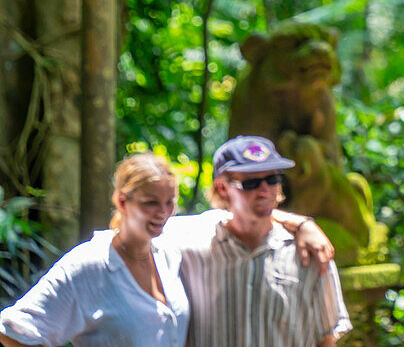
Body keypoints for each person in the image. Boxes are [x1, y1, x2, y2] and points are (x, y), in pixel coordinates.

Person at [158, 135, 351, 347]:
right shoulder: (187, 246)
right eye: (251, 183)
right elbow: (139, 229)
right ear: (223, 188)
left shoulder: (310, 253)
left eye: (273, 179)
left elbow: (325, 339)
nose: (265, 190)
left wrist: (304, 224)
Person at [0, 153, 189, 347]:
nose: (163, 213)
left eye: (170, 202)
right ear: (122, 202)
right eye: (151, 202)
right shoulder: (89, 265)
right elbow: (13, 332)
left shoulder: (168, 255)